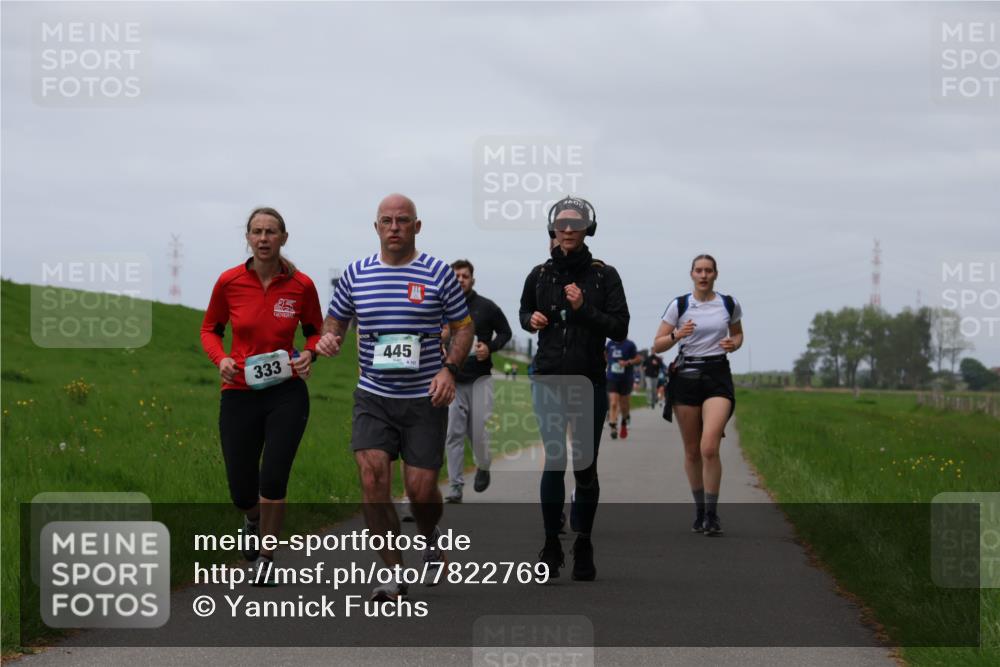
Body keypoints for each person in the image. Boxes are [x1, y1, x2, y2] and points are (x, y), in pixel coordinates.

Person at [316, 193, 473, 601]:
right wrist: (330, 337)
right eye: (386, 220)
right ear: (376, 227)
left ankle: (429, 535)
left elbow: (463, 328)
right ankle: (392, 571)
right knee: (372, 480)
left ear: (417, 226)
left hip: (425, 398)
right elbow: (336, 318)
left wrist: (448, 370)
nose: (394, 227)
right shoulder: (356, 274)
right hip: (374, 395)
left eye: (403, 220)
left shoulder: (438, 273)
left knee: (421, 492)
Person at [200, 207, 322, 585]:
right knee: (241, 489)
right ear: (248, 238)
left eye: (271, 232)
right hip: (239, 392)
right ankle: (251, 519)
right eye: (257, 232)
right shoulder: (229, 282)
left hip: (286, 392)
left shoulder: (301, 285)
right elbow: (209, 329)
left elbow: (315, 330)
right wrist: (220, 360)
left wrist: (308, 353)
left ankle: (267, 555)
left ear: (284, 238)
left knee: (273, 478)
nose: (264, 238)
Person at [519, 195, 629, 581]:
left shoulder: (604, 276)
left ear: (587, 229)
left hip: (588, 380)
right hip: (548, 376)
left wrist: (584, 307)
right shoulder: (539, 274)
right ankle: (551, 544)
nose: (567, 230)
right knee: (554, 459)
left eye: (575, 224)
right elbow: (523, 313)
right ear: (553, 230)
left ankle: (583, 540)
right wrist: (530, 319)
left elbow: (619, 327)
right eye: (561, 224)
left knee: (585, 466)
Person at [652, 254, 744, 536]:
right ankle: (700, 511)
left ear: (715, 274)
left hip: (717, 376)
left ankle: (713, 515)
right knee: (692, 451)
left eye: (708, 270)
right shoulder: (679, 305)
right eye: (699, 270)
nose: (703, 275)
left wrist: (733, 344)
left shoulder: (728, 303)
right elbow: (657, 345)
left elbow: (739, 335)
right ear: (691, 274)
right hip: (686, 377)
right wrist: (677, 335)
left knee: (708, 447)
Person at [443, 259, 511, 503]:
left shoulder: (487, 307)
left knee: (479, 433)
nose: (460, 280)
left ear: (472, 280)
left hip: (480, 380)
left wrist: (489, 348)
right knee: (453, 432)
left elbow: (506, 332)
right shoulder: (442, 307)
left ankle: (483, 465)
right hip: (453, 380)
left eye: (464, 276)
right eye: (456, 276)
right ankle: (455, 487)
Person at [605, 337, 640, 439]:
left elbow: (638, 359)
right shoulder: (610, 344)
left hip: (626, 379)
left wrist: (627, 362)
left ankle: (625, 420)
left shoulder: (630, 344)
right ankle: (613, 427)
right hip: (612, 378)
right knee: (613, 403)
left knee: (624, 405)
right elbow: (606, 356)